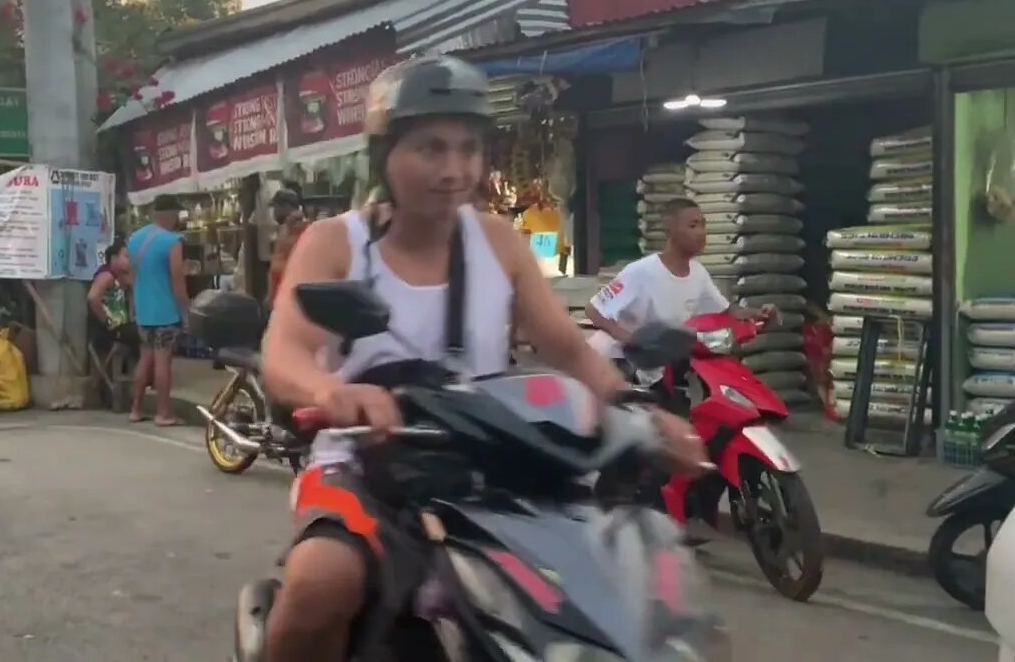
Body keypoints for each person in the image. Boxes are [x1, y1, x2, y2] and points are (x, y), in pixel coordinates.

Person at [258, 56, 707, 662]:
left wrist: (638, 409)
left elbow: (568, 347)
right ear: (384, 153)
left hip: (496, 462)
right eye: (430, 148)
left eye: (469, 149)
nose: (453, 170)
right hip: (365, 463)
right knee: (320, 582)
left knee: (610, 593)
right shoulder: (336, 243)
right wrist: (331, 391)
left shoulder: (500, 242)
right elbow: (283, 351)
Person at [585, 196, 779, 393]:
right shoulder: (641, 271)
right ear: (670, 228)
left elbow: (727, 311)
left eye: (703, 226)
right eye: (693, 226)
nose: (701, 233)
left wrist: (759, 314)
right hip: (617, 362)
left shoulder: (698, 273)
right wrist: (630, 338)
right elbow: (593, 309)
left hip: (656, 364)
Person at [126, 196, 189, 426]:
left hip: (144, 311)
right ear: (170, 215)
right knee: (163, 362)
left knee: (145, 359)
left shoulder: (134, 239)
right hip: (165, 312)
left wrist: (134, 305)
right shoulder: (172, 241)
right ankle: (163, 413)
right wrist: (186, 309)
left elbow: (131, 275)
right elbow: (177, 278)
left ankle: (136, 409)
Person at [267, 185, 307, 306]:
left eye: (276, 207)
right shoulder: (287, 227)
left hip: (289, 299)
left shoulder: (296, 227)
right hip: (283, 296)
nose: (273, 212)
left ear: (286, 206)